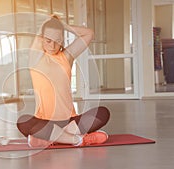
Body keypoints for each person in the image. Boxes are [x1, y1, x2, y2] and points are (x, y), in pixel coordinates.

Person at [17, 15, 110, 147]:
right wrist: (46, 23)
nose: (53, 45)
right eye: (48, 40)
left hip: (69, 121)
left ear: (62, 40)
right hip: (44, 122)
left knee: (102, 113)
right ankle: (77, 140)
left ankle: (54, 138)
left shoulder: (66, 57)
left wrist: (64, 26)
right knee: (23, 122)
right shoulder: (35, 58)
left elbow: (89, 33)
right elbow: (40, 37)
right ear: (41, 39)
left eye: (57, 41)